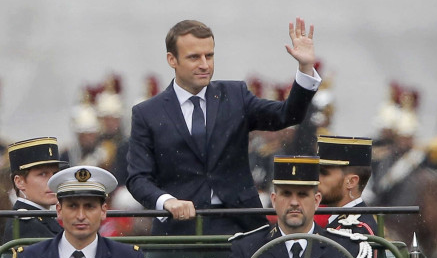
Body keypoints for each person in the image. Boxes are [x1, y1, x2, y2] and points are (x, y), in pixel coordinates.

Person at [126, 18, 321, 236]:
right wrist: (167, 202)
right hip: (178, 230)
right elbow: (138, 178)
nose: (204, 64)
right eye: (194, 57)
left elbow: (288, 114)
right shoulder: (147, 113)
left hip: (240, 225)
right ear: (172, 59)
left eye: (209, 55)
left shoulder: (235, 96)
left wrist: (305, 67)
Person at [223, 156, 373, 258]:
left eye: (302, 195)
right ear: (274, 200)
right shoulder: (245, 250)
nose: (294, 202)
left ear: (316, 201)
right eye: (286, 194)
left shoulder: (346, 250)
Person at [13, 165, 147, 258]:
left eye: (89, 206)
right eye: (72, 206)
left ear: (103, 211)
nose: (81, 216)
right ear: (59, 210)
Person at [3, 137, 66, 242]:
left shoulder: (42, 220)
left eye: (55, 174)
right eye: (43, 174)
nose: (52, 181)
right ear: (19, 182)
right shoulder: (25, 225)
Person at [316, 135, 378, 236]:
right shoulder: (336, 221)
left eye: (324, 173)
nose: (317, 179)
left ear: (351, 182)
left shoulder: (357, 230)